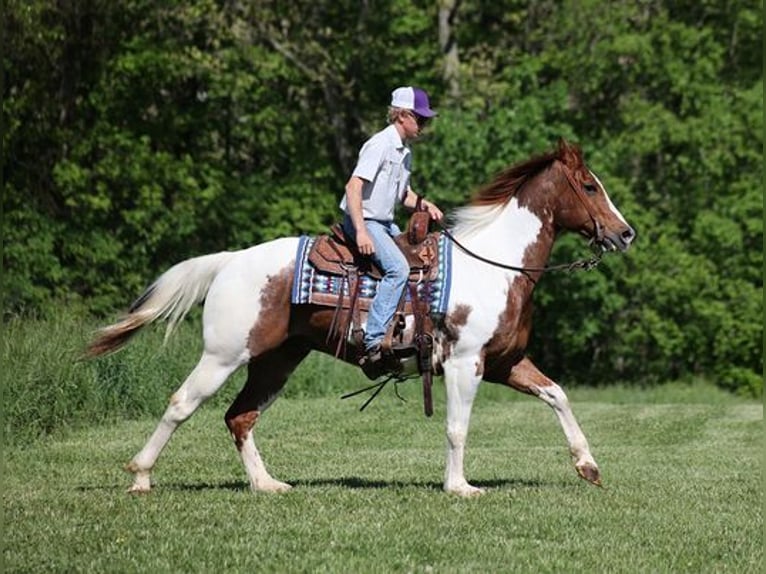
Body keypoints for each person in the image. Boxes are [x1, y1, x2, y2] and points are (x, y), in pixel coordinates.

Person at [340, 86, 444, 372]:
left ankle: (406, 332)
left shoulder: (404, 152)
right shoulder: (380, 144)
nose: (423, 125)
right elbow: (353, 187)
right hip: (365, 220)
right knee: (398, 269)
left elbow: (403, 196)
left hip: (384, 223)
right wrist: (360, 231)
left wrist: (425, 203)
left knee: (419, 260)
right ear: (402, 116)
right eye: (420, 119)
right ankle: (371, 341)